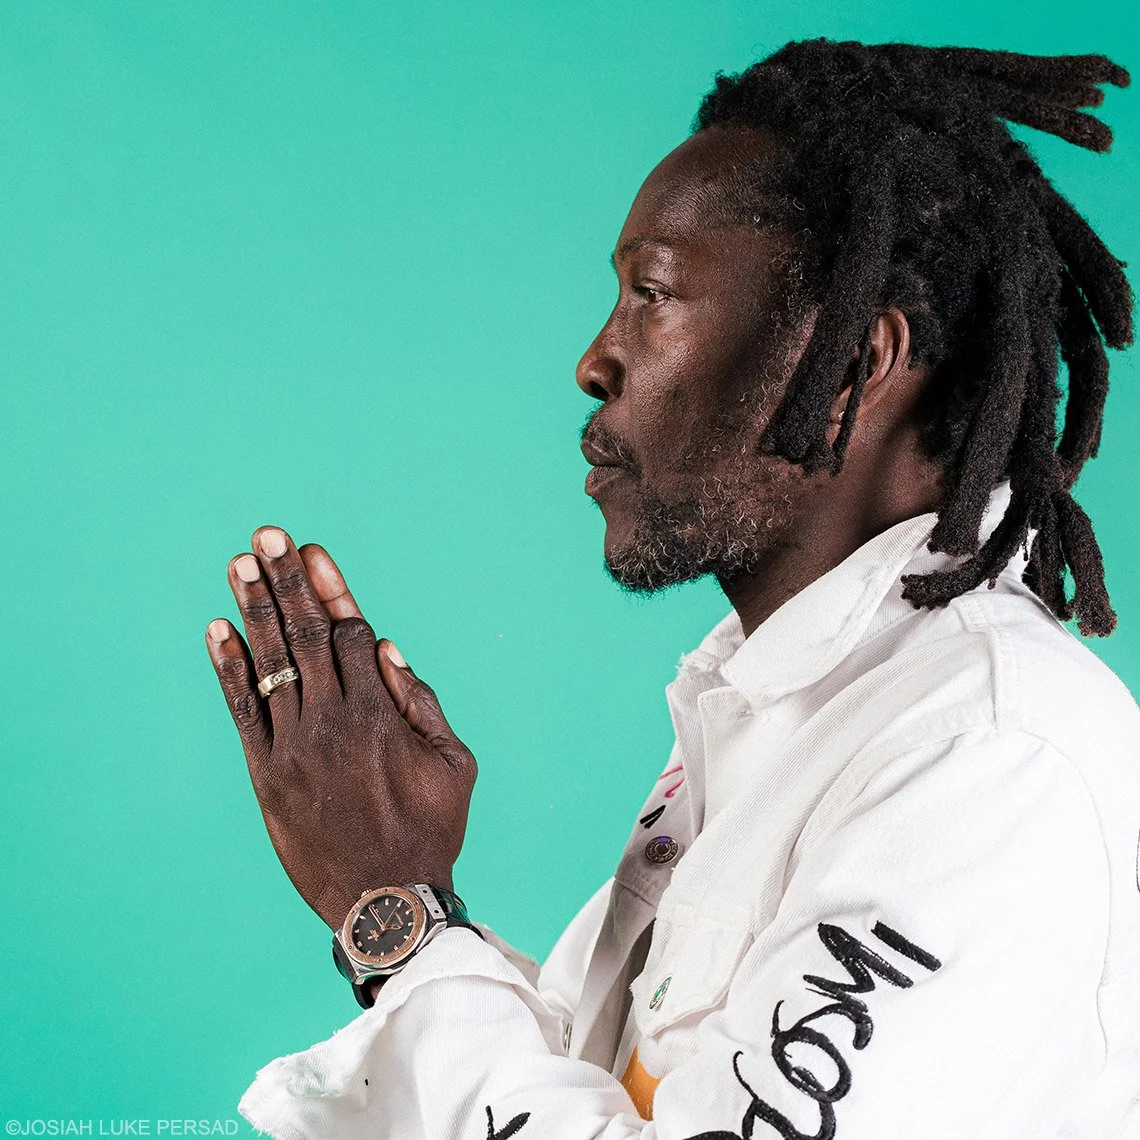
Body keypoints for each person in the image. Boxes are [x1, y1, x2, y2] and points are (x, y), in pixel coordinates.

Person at [204, 38, 1140, 1139]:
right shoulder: (772, 711)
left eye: (652, 294)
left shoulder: (988, 749)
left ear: (852, 366)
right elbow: (616, 1099)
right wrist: (420, 910)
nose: (596, 361)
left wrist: (395, 916)